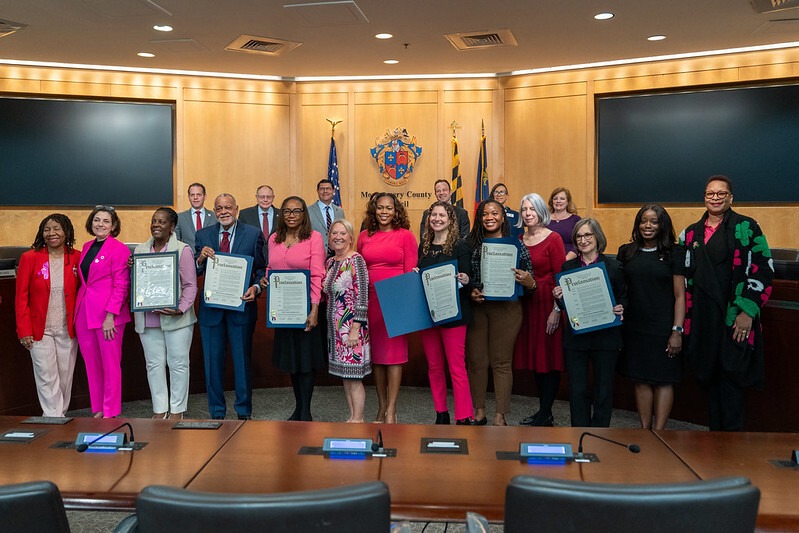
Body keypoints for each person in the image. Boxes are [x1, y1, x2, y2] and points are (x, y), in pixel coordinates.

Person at [679, 175, 773, 431]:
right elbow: (681, 278)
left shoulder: (747, 227)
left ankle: (732, 448)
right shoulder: (689, 234)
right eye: (711, 193)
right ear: (705, 197)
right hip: (702, 319)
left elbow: (763, 269)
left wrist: (747, 312)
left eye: (721, 194)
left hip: (734, 318)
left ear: (731, 198)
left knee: (731, 384)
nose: (715, 198)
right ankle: (715, 445)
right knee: (708, 382)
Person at [195, 193, 266, 420]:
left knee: (242, 362)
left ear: (236, 209)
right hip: (211, 311)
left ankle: (244, 412)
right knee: (212, 364)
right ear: (214, 211)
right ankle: (217, 412)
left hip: (242, 308)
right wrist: (199, 260)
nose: (223, 211)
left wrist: (256, 287)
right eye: (218, 208)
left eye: (228, 207)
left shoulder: (253, 233)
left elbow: (262, 269)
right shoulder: (202, 235)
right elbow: (194, 270)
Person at [466, 199, 536, 426]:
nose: (489, 217)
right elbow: (463, 277)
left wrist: (528, 281)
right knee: (476, 361)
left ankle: (500, 416)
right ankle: (479, 412)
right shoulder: (471, 244)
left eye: (494, 213)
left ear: (503, 217)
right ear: (479, 218)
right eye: (485, 214)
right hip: (479, 308)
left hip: (508, 310)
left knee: (501, 362)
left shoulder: (516, 244)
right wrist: (471, 291)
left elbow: (530, 278)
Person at [617, 204, 685, 430]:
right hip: (635, 326)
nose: (648, 225)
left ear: (662, 225)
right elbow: (620, 289)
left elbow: (680, 295)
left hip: (664, 326)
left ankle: (660, 432)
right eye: (643, 221)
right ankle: (645, 430)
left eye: (654, 221)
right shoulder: (626, 252)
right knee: (640, 378)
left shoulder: (675, 252)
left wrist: (677, 330)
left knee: (664, 379)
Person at [553, 218, 625, 427]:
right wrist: (558, 296)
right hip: (577, 339)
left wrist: (621, 308)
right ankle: (579, 431)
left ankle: (600, 432)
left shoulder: (614, 266)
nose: (583, 240)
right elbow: (568, 304)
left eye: (587, 235)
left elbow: (623, 297)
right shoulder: (568, 266)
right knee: (577, 389)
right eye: (579, 236)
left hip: (606, 338)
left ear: (597, 237)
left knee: (603, 389)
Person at [261, 196, 326, 421]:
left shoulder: (314, 238)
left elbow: (318, 273)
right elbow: (270, 267)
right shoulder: (274, 239)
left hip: (306, 307)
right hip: (282, 309)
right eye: (287, 211)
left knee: (306, 360)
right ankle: (297, 408)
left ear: (304, 214)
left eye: (296, 211)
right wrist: (265, 280)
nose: (291, 215)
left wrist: (314, 309)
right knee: (291, 359)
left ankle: (306, 411)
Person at [357, 192, 418, 424]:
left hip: (395, 301)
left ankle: (392, 410)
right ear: (374, 211)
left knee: (394, 357)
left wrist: (404, 305)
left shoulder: (406, 236)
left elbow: (409, 271)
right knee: (377, 358)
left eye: (389, 208)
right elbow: (359, 269)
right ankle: (381, 408)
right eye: (380, 208)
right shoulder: (364, 236)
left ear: (396, 211)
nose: (384, 212)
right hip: (370, 301)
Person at [132, 208, 198, 420]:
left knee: (178, 364)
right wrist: (131, 269)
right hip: (148, 319)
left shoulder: (182, 249)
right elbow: (136, 284)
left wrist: (180, 308)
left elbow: (190, 285)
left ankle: (177, 409)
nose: (156, 225)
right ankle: (160, 410)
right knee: (153, 365)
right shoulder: (140, 250)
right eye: (154, 221)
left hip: (176, 318)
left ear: (172, 227)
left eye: (162, 222)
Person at [15, 214, 81, 417]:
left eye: (57, 229)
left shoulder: (77, 257)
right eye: (47, 229)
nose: (51, 233)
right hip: (38, 330)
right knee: (46, 377)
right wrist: (23, 330)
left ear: (67, 232)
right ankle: (54, 419)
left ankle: (57, 415)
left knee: (64, 377)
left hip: (67, 328)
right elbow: (21, 297)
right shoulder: (30, 258)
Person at [417, 201, 474, 425]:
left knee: (456, 366)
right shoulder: (423, 247)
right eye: (433, 215)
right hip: (428, 315)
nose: (437, 219)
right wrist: (416, 273)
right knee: (434, 366)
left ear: (450, 220)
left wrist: (465, 279)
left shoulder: (460, 246)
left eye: (442, 215)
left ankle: (463, 415)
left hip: (453, 316)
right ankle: (441, 412)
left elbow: (469, 280)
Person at [513, 194, 566, 427]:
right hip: (527, 305)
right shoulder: (518, 239)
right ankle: (544, 412)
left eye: (532, 209)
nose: (527, 213)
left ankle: (546, 412)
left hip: (548, 304)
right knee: (536, 358)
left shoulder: (553, 239)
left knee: (549, 358)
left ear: (541, 211)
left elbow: (561, 277)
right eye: (524, 209)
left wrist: (557, 310)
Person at [74, 206, 131, 418]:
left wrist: (110, 316)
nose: (100, 224)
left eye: (106, 221)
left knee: (110, 364)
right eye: (97, 220)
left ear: (113, 226)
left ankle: (111, 410)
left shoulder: (119, 249)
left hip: (108, 315)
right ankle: (97, 408)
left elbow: (121, 284)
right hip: (84, 312)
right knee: (92, 364)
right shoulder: (87, 246)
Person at [323, 219, 371, 423]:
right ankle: (352, 417)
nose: (338, 237)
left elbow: (362, 296)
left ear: (351, 238)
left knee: (354, 377)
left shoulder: (356, 260)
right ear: (329, 238)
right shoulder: (330, 262)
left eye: (343, 234)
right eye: (334, 233)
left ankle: (358, 419)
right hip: (335, 329)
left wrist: (355, 328)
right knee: (346, 375)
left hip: (352, 328)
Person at [239, 184, 278, 263]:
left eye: (268, 197)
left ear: (273, 198)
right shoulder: (245, 214)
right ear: (257, 197)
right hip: (253, 260)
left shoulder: (282, 214)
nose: (265, 200)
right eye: (262, 197)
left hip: (275, 259)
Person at [309, 179, 346, 254]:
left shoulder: (340, 212)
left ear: (333, 191)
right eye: (322, 189)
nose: (325, 191)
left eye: (328, 189)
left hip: (337, 254)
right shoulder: (308, 211)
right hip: (316, 253)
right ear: (317, 191)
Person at [175, 182, 215, 251]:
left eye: (199, 195)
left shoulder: (214, 216)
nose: (195, 197)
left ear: (205, 197)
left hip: (210, 258)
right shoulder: (180, 218)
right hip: (188, 258)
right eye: (192, 195)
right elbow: (176, 242)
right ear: (189, 197)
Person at [546, 187, 581, 261]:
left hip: (569, 261)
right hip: (546, 261)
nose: (558, 201)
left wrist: (565, 259)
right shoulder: (544, 219)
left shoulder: (575, 220)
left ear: (568, 201)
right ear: (552, 201)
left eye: (562, 198)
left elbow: (578, 243)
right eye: (555, 199)